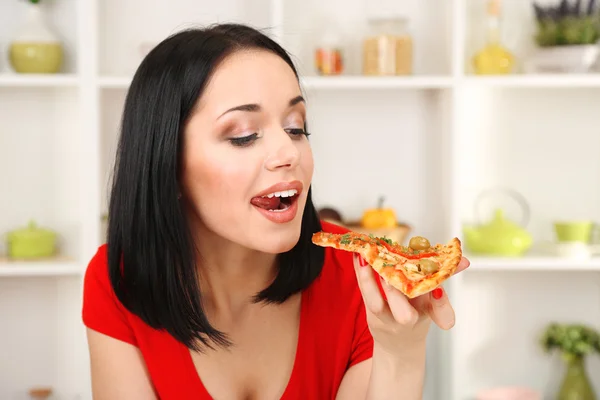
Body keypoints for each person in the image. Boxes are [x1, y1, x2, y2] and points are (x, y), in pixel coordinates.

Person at [81, 23, 470, 400]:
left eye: (296, 128)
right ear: (166, 161)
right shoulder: (118, 280)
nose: (288, 152)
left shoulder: (358, 275)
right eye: (243, 136)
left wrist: (401, 349)